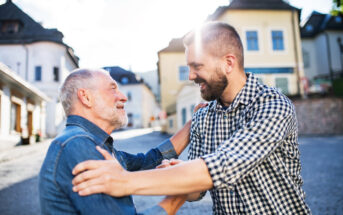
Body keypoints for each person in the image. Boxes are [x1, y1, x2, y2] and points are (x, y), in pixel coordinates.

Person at [72, 22, 312, 214]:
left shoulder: (272, 105)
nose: (190, 75)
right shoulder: (203, 117)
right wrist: (176, 172)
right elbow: (198, 191)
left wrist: (124, 181)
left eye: (197, 66)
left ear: (228, 63)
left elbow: (224, 165)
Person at [39, 68, 193, 215]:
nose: (123, 97)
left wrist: (192, 124)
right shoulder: (78, 145)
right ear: (86, 97)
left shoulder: (94, 143)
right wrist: (180, 192)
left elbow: (148, 161)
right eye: (113, 89)